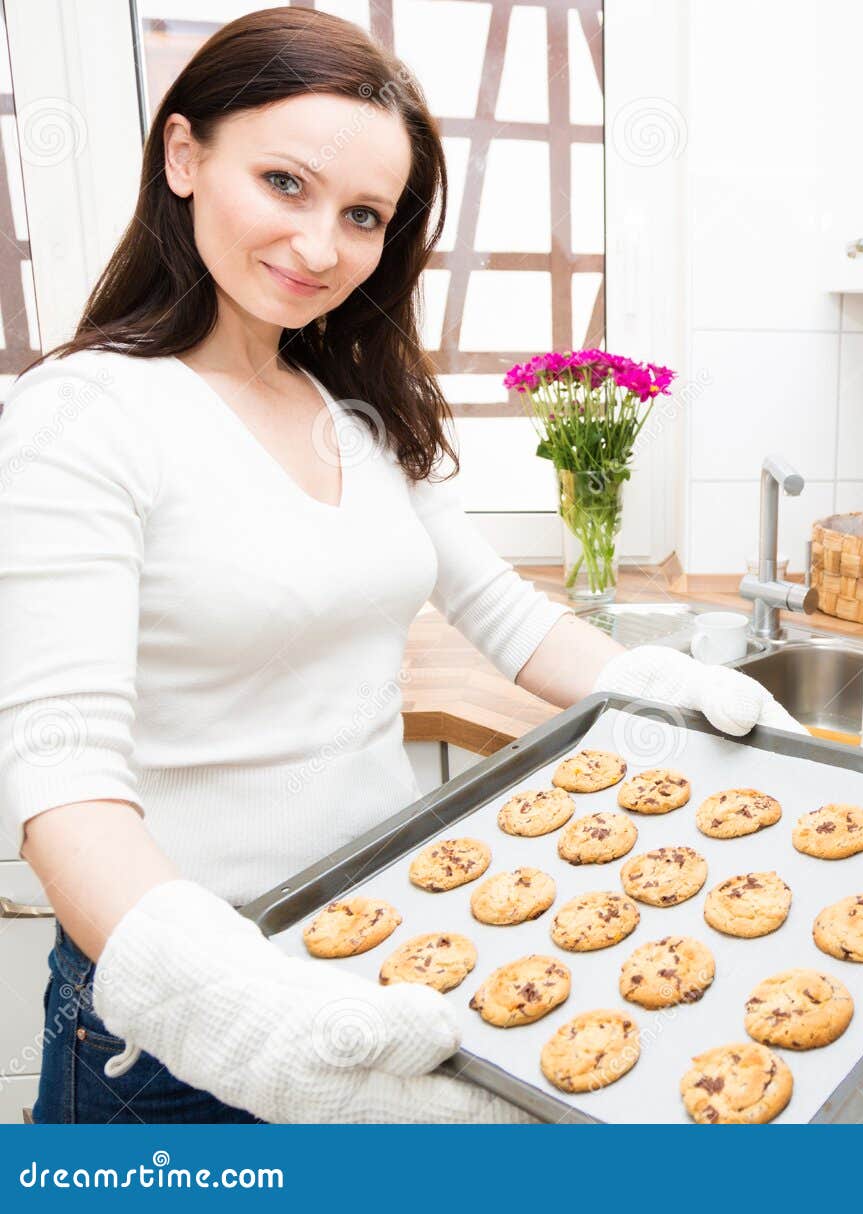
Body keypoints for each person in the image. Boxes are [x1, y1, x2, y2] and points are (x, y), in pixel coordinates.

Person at [0, 8, 798, 1125]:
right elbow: (62, 776)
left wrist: (669, 688)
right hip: (183, 1014)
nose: (321, 247)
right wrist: (232, 1011)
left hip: (386, 952)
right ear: (184, 155)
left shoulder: (353, 411)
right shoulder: (81, 415)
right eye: (284, 182)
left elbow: (511, 618)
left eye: (363, 214)